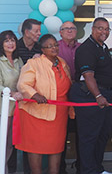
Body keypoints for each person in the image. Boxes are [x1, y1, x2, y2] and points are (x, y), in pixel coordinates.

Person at [16, 34, 72, 174]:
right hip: (36, 114)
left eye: (55, 45)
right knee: (35, 148)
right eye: (49, 46)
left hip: (59, 113)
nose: (54, 48)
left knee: (57, 147)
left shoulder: (62, 62)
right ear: (42, 49)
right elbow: (23, 84)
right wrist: (35, 95)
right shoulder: (34, 63)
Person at [68, 17, 112, 174]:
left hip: (106, 96)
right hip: (90, 96)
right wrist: (98, 95)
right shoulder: (87, 49)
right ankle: (87, 170)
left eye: (107, 29)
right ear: (93, 29)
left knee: (103, 135)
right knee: (89, 137)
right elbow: (88, 76)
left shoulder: (102, 47)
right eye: (100, 28)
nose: (104, 32)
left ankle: (97, 168)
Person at [13, 18, 42, 174]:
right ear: (26, 32)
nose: (39, 33)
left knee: (30, 139)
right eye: (36, 31)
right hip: (14, 98)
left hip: (34, 100)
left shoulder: (40, 48)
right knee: (12, 138)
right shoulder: (14, 46)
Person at [58, 21, 81, 174]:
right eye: (66, 29)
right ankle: (61, 168)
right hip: (61, 94)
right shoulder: (55, 47)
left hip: (79, 94)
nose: (70, 31)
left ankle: (81, 165)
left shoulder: (81, 48)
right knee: (61, 132)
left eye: (73, 28)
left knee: (81, 131)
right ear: (60, 32)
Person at [0, 31, 24, 174]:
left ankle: (4, 169)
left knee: (9, 145)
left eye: (13, 40)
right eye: (6, 41)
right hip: (3, 110)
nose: (10, 43)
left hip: (16, 109)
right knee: (2, 144)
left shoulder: (18, 60)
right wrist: (11, 92)